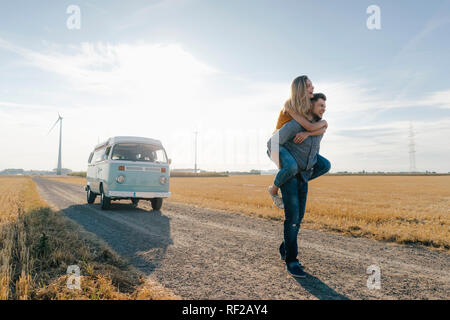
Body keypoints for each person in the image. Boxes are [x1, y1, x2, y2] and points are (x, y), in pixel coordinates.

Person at [267, 92, 330, 278]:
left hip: (304, 175)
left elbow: (322, 128)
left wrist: (309, 132)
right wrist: (283, 168)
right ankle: (292, 261)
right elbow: (273, 143)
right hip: (291, 176)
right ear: (310, 106)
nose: (324, 109)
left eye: (325, 106)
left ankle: (285, 248)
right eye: (320, 106)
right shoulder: (293, 124)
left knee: (299, 217)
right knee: (293, 218)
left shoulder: (320, 126)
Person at [268, 76, 330, 209]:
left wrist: (311, 132)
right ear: (300, 89)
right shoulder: (290, 105)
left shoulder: (307, 107)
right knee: (291, 167)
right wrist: (321, 125)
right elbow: (311, 126)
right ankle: (273, 190)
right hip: (278, 144)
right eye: (308, 85)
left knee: (324, 165)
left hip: (292, 146)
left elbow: (319, 129)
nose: (312, 87)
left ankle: (295, 181)